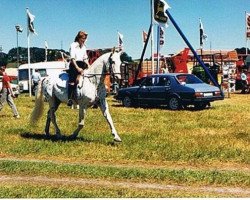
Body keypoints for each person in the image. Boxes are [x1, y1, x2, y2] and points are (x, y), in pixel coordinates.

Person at [67, 30, 90, 106]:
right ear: (79, 38)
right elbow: (72, 58)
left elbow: (85, 58)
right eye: (83, 38)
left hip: (82, 64)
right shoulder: (73, 45)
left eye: (85, 39)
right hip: (74, 65)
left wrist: (89, 66)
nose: (84, 40)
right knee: (72, 81)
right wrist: (77, 68)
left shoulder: (84, 47)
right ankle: (70, 98)